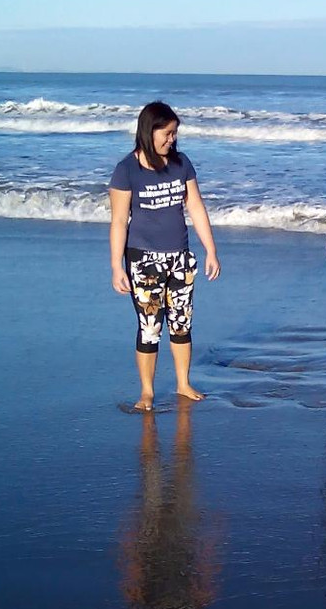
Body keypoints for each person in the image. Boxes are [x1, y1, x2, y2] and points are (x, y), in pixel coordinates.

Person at [109, 100, 220, 412]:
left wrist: (211, 250)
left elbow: (195, 207)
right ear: (150, 130)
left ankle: (183, 383)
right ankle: (147, 392)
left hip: (180, 258)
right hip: (144, 261)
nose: (172, 139)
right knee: (150, 327)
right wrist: (116, 266)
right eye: (167, 133)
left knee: (181, 324)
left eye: (175, 134)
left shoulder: (181, 163)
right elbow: (119, 221)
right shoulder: (126, 170)